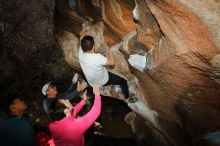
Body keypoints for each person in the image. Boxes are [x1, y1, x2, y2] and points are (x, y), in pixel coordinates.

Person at [79, 35, 137, 103]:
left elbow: (81, 43)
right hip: (103, 80)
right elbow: (112, 62)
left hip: (92, 83)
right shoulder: (97, 57)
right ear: (94, 46)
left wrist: (81, 36)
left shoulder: (80, 54)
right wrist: (109, 49)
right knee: (123, 81)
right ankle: (127, 97)